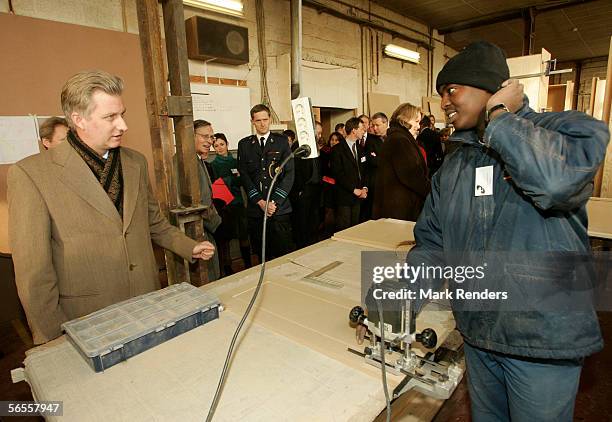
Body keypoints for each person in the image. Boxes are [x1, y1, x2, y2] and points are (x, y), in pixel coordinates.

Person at [362, 41, 609, 421]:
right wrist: (404, 295)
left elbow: (557, 183)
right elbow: (433, 244)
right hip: (479, 335)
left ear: (490, 89)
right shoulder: (456, 166)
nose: (443, 102)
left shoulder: (564, 129)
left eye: (451, 91)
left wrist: (500, 118)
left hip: (540, 339)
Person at [8, 70, 216, 344]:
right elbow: (34, 273)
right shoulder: (31, 174)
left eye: (122, 114)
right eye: (110, 117)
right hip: (85, 318)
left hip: (146, 301)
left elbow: (154, 224)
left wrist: (189, 246)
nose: (123, 125)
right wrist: (50, 338)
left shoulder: (135, 162)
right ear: (78, 119)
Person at [237, 104, 295, 260]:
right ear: (252, 122)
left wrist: (273, 202)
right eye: (258, 120)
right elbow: (244, 175)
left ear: (270, 119)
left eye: (265, 119)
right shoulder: (244, 145)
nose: (262, 124)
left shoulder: (281, 141)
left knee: (283, 253)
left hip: (279, 209)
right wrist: (260, 201)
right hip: (257, 210)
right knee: (262, 254)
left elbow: (289, 174)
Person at [372, 103, 429, 222]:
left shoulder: (398, 138)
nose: (419, 126)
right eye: (417, 121)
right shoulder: (400, 140)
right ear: (405, 119)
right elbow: (412, 176)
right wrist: (431, 191)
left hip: (399, 206)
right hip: (400, 209)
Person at [180, 119, 221, 281]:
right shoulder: (187, 161)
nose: (209, 142)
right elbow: (200, 202)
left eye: (211, 137)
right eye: (205, 136)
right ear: (191, 135)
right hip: (197, 230)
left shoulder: (196, 159)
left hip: (203, 227)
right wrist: (216, 222)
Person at [211, 133, 252, 275]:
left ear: (227, 144)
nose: (219, 148)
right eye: (216, 146)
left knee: (244, 235)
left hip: (239, 203)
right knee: (225, 238)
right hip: (224, 205)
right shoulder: (213, 165)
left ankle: (248, 264)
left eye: (222, 144)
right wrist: (232, 180)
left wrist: (229, 180)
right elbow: (216, 185)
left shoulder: (236, 162)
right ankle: (228, 269)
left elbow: (243, 181)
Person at [331, 117, 367, 231]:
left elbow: (364, 170)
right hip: (344, 197)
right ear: (354, 130)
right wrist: (353, 189)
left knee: (355, 229)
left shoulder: (360, 148)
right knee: (344, 229)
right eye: (361, 129)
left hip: (358, 197)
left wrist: (364, 188)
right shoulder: (337, 150)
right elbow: (338, 174)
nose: (364, 131)